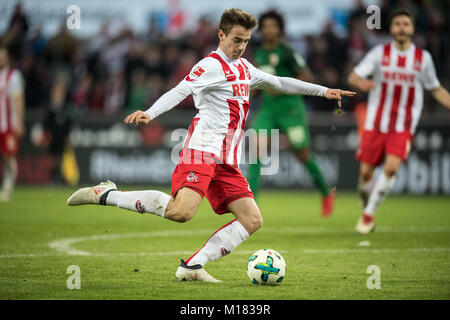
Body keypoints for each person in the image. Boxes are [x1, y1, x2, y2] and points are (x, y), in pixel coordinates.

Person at [67, 8, 355, 282]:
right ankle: (108, 194)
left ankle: (193, 266)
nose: (241, 46)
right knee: (182, 212)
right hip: (203, 148)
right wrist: (150, 112)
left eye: (245, 41)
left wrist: (323, 91)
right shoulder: (209, 66)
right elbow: (180, 90)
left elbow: (279, 83)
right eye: (236, 40)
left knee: (252, 219)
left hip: (227, 158)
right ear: (221, 35)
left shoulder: (245, 68)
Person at [347, 9, 450, 235]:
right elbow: (354, 75)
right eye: (397, 24)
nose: (402, 28)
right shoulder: (378, 53)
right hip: (375, 123)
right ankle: (367, 201)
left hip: (403, 126)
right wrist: (361, 83)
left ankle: (367, 216)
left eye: (406, 24)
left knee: (391, 169)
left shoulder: (423, 59)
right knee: (365, 175)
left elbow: (436, 88)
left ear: (412, 29)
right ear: (392, 29)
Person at [247, 10, 335, 216]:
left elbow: (306, 75)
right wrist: (245, 101)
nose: (269, 30)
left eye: (273, 26)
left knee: (302, 153)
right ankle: (251, 205)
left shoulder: (287, 51)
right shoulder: (259, 53)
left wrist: (282, 86)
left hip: (291, 110)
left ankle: (326, 192)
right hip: (268, 110)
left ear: (280, 29)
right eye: (266, 26)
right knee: (256, 151)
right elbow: (258, 83)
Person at [0, 46, 25, 201]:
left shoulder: (13, 76)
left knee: (8, 156)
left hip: (7, 125)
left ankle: (8, 187)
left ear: (8, 58)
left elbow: (18, 99)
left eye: (2, 56)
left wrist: (19, 121)